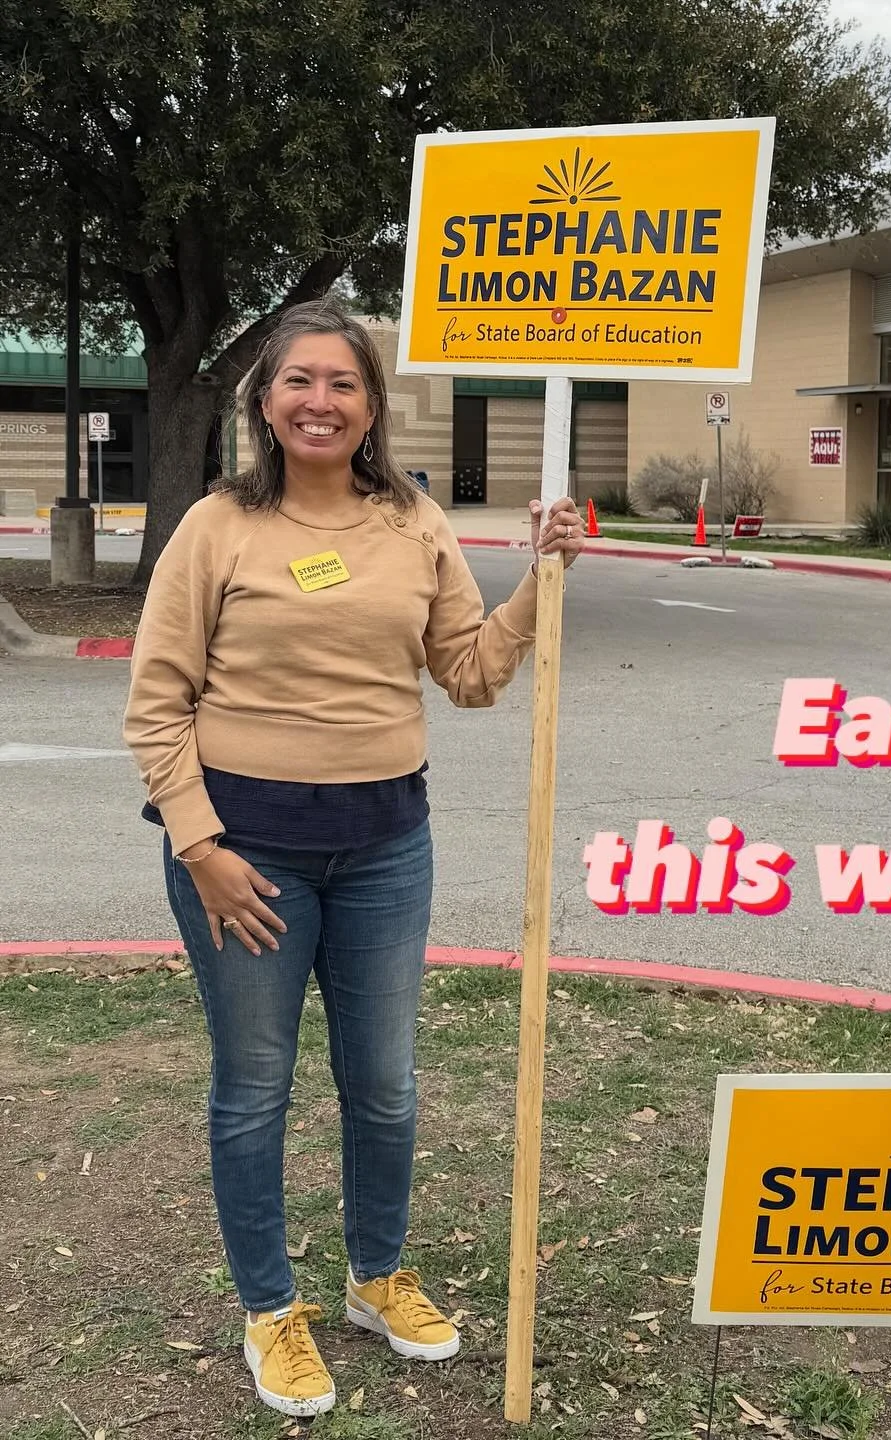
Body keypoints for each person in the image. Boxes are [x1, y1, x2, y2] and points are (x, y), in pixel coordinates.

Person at [122, 295, 584, 1418]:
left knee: (382, 1087)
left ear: (372, 404)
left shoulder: (412, 522)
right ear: (264, 401)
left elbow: (468, 673)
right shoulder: (215, 528)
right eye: (299, 382)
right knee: (255, 1088)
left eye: (343, 383)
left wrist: (537, 580)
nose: (319, 401)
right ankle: (271, 1309)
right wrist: (201, 847)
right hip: (246, 856)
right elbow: (156, 703)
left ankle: (377, 1278)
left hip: (385, 848)